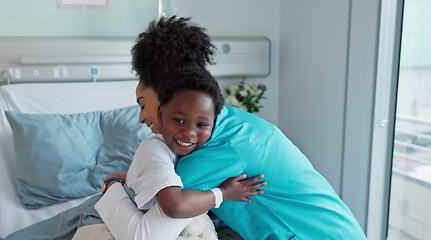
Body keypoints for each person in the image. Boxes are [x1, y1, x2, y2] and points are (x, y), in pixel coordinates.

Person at [120, 16, 367, 239]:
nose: (141, 118)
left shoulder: (221, 147)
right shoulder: (227, 123)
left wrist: (113, 185)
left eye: (143, 104)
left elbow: (159, 202)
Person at [95, 68, 266, 240]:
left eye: (143, 105)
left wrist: (120, 177)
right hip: (108, 215)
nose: (190, 132)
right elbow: (164, 216)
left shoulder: (189, 150)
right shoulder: (154, 147)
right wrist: (223, 193)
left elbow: (156, 175)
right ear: (162, 110)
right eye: (179, 120)